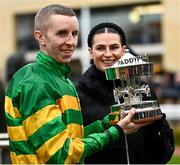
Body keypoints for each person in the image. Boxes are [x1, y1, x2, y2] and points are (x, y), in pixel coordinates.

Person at [4, 4, 137, 164]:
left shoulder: (63, 79)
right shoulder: (34, 82)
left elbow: (71, 138)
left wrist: (105, 124)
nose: (71, 42)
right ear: (40, 37)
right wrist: (116, 132)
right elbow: (61, 154)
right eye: (62, 34)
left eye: (74, 34)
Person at [77, 22, 175, 164]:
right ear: (91, 52)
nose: (108, 54)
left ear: (123, 50)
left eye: (114, 47)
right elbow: (74, 146)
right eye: (100, 48)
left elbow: (162, 153)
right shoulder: (78, 94)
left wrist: (157, 124)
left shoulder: (144, 90)